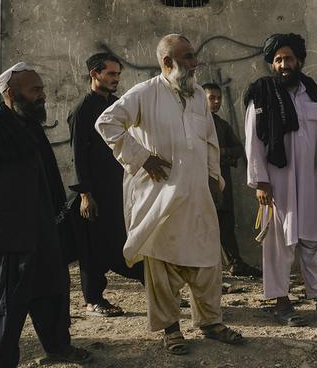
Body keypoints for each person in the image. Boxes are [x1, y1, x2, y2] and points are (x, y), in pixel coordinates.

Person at [95, 34, 244, 355]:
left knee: (207, 261)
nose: (195, 63)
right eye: (188, 57)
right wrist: (142, 157)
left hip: (197, 195)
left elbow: (208, 141)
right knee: (162, 266)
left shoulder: (198, 95)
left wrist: (214, 179)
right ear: (167, 62)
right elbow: (106, 122)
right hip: (159, 198)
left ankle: (210, 322)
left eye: (193, 56)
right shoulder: (145, 94)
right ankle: (171, 329)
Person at [0, 62, 91, 367]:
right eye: (35, 90)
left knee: (52, 294)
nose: (42, 95)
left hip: (45, 231)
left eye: (41, 89)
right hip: (11, 237)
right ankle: (0, 362)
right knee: (6, 305)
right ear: (10, 93)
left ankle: (58, 348)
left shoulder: (30, 125)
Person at [245, 33, 317, 327]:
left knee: (316, 239)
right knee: (279, 243)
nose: (283, 64)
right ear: (272, 63)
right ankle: (280, 302)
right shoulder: (261, 92)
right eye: (278, 59)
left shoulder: (311, 91)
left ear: (299, 60)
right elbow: (253, 140)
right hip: (278, 182)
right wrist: (260, 182)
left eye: (288, 58)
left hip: (313, 179)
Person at [68, 53, 144, 317]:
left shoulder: (118, 105)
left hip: (121, 188)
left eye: (118, 74)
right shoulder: (82, 110)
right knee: (92, 247)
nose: (116, 79)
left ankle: (158, 289)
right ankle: (93, 299)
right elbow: (78, 155)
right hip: (95, 191)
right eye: (110, 74)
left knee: (128, 240)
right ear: (94, 74)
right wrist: (86, 194)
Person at [202, 82, 261, 278]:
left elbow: (237, 149)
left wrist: (219, 153)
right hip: (200, 187)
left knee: (226, 225)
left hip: (222, 185)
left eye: (219, 98)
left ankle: (236, 263)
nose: (217, 101)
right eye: (212, 98)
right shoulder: (193, 124)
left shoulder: (221, 125)